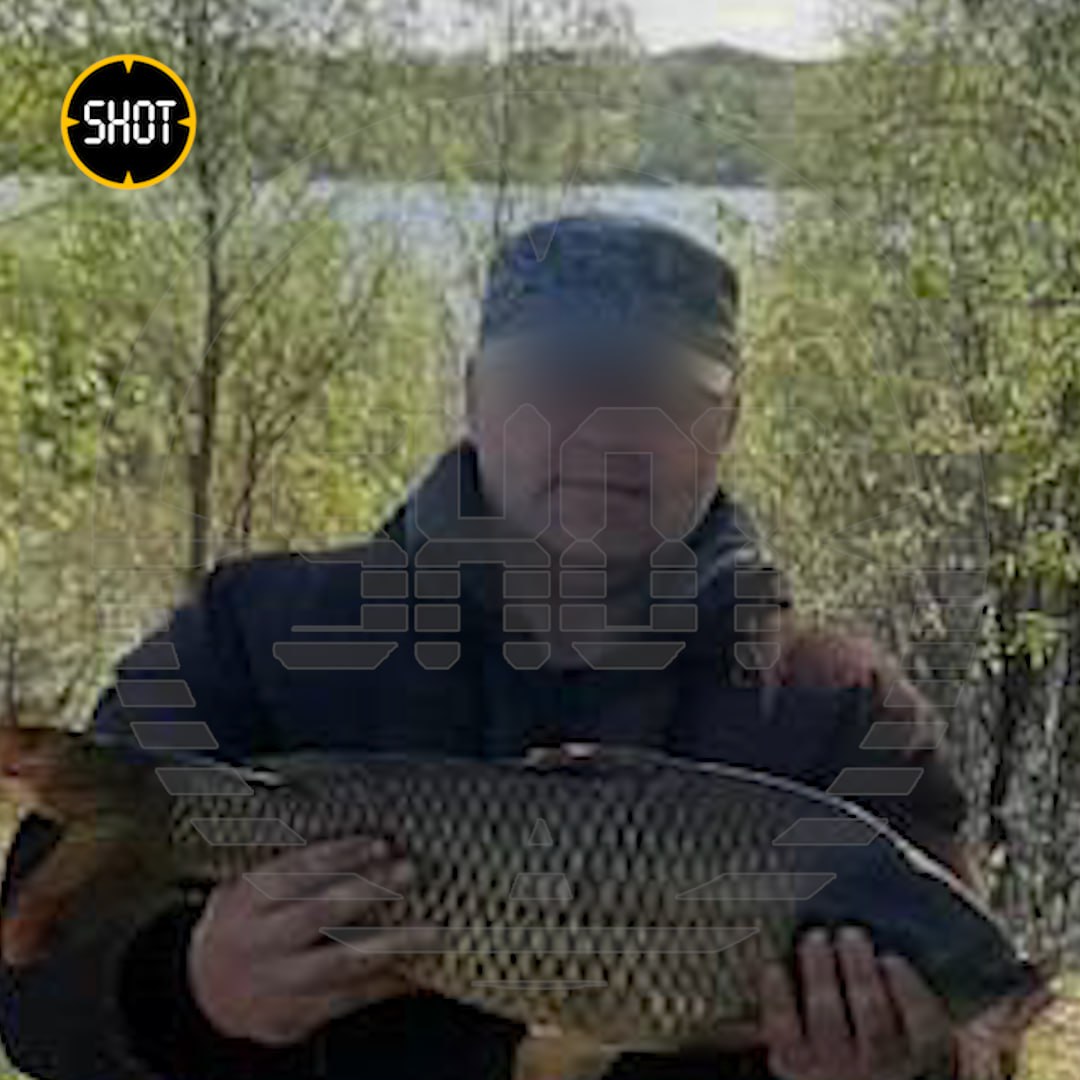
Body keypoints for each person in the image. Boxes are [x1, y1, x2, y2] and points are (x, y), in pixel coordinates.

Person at [0, 214, 985, 1080]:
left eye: (663, 395)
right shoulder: (253, 634)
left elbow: (985, 1028)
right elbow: (27, 992)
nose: (608, 431)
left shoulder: (845, 714)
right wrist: (189, 989)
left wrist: (914, 1069)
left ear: (727, 422)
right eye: (558, 383)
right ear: (475, 396)